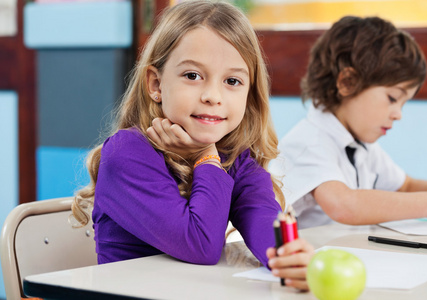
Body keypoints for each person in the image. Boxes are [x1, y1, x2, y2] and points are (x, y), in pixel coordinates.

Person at [71, 0, 313, 290]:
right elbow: (200, 245)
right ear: (156, 84)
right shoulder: (126, 153)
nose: (213, 95)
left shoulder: (235, 158)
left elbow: (261, 216)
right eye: (193, 76)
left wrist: (289, 256)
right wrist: (205, 157)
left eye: (232, 81)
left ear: (249, 94)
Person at [270, 16, 427, 229]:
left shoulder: (362, 146)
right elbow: (344, 205)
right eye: (392, 98)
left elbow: (405, 185)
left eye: (403, 103)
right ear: (348, 82)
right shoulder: (309, 142)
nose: (398, 114)